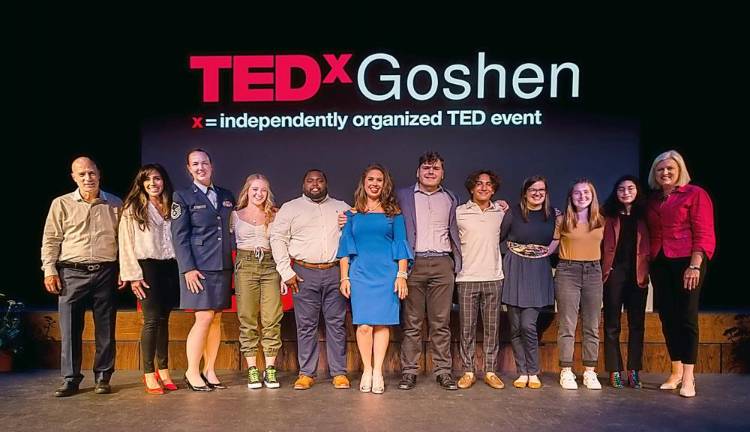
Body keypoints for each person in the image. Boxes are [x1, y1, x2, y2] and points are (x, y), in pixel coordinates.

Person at [41, 156, 125, 397]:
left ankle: (103, 376)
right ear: (73, 177)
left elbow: (123, 241)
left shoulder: (115, 203)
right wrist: (49, 269)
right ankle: (70, 378)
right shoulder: (61, 203)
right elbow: (51, 240)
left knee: (106, 328)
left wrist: (124, 269)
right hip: (71, 272)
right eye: (82, 174)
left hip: (105, 271)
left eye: (91, 173)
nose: (87, 178)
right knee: (69, 328)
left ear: (99, 173)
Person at [270, 169, 351, 390]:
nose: (315, 184)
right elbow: (277, 239)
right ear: (303, 184)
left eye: (319, 180)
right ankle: (306, 373)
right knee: (306, 325)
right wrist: (286, 272)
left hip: (335, 271)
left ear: (326, 183)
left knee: (336, 324)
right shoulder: (290, 208)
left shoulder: (342, 207)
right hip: (303, 273)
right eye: (310, 180)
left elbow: (353, 238)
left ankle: (339, 373)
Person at [337, 164, 412, 394]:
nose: (375, 183)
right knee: (364, 326)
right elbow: (345, 249)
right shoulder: (351, 214)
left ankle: (378, 371)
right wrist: (344, 278)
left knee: (381, 324)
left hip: (386, 275)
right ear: (364, 182)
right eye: (371, 179)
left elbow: (400, 244)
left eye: (379, 180)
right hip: (360, 275)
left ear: (385, 184)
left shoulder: (394, 213)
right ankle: (366, 369)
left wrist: (401, 275)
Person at [646, 150, 715, 398]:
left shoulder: (695, 194)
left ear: (679, 171)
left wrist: (695, 265)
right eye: (660, 169)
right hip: (660, 262)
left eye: (669, 169)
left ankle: (688, 377)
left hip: (687, 261)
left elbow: (704, 232)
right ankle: (675, 371)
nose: (664, 173)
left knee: (686, 317)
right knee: (667, 317)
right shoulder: (653, 200)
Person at [171, 148, 235, 392]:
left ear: (211, 165)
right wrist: (187, 268)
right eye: (195, 164)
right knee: (204, 317)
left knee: (216, 318)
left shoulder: (226, 195)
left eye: (204, 163)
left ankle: (210, 369)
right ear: (189, 169)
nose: (201, 167)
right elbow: (179, 237)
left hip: (222, 266)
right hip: (198, 269)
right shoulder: (182, 197)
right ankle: (191, 371)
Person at [396, 151, 462, 391]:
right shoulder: (403, 196)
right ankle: (409, 372)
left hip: (443, 264)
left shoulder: (451, 198)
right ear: (418, 172)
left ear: (442, 173)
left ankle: (443, 372)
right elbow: (379, 214)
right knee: (412, 323)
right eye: (426, 168)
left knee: (440, 323)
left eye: (435, 168)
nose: (430, 172)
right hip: (414, 264)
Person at [119, 164, 180, 394]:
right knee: (152, 320)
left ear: (164, 181)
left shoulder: (171, 206)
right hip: (146, 267)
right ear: (141, 183)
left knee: (165, 319)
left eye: (157, 178)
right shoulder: (132, 208)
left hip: (169, 267)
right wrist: (133, 276)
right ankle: (148, 373)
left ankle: (163, 370)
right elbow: (125, 244)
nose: (153, 183)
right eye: (148, 179)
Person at [500, 176, 559, 389]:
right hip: (515, 270)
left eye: (541, 190)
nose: (537, 193)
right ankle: (522, 371)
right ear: (525, 192)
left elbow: (559, 239)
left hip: (538, 271)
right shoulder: (513, 213)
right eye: (533, 190)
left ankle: (533, 371)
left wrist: (546, 251)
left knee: (528, 325)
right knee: (515, 327)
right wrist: (512, 254)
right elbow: (500, 238)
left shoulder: (554, 215)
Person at [454, 170, 506, 390]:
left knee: (492, 328)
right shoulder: (459, 212)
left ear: (493, 189)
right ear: (471, 188)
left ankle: (491, 371)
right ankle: (468, 371)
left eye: (488, 184)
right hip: (466, 278)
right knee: (466, 328)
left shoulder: (501, 212)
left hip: (494, 277)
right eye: (479, 184)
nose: (484, 188)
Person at [231, 174, 283, 389]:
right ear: (247, 191)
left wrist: (282, 271)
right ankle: (252, 369)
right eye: (254, 189)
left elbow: (282, 244)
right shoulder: (234, 215)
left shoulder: (275, 215)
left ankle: (269, 369)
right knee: (248, 317)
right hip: (246, 264)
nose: (259, 194)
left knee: (272, 317)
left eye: (263, 190)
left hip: (270, 265)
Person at [555, 179, 605, 390]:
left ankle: (589, 372)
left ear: (592, 196)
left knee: (592, 325)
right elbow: (550, 246)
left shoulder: (601, 220)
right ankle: (566, 371)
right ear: (571, 197)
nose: (582, 196)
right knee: (567, 324)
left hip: (593, 272)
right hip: (568, 271)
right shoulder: (562, 220)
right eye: (577, 193)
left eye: (586, 192)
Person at [601, 175, 650, 389]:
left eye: (630, 188)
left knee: (637, 325)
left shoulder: (646, 215)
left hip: (637, 275)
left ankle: (634, 371)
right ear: (616, 192)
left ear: (637, 190)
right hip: (614, 275)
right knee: (612, 325)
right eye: (621, 188)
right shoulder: (607, 214)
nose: (626, 192)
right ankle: (614, 370)